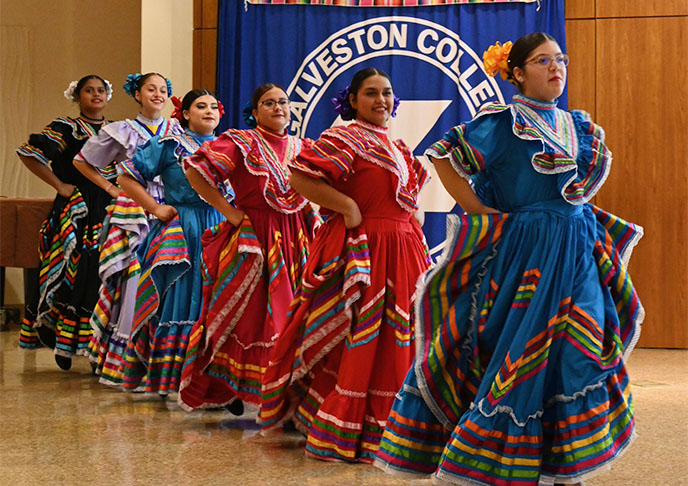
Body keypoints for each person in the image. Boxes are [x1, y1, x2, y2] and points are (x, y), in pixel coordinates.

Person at [374, 33, 644, 486]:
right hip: (526, 257)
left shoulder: (578, 126)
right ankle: (505, 462)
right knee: (521, 357)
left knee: (582, 351)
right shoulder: (501, 123)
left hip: (577, 248)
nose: (556, 67)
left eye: (561, 59)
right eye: (542, 61)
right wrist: (480, 211)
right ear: (517, 74)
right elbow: (443, 157)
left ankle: (567, 463)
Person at [258, 68, 431, 463]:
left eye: (387, 92)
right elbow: (301, 176)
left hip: (404, 251)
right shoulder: (344, 136)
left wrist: (411, 216)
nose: (381, 100)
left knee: (401, 335)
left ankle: (400, 426)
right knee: (364, 334)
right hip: (367, 250)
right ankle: (354, 427)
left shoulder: (398, 145)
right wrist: (348, 207)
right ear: (352, 100)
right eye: (371, 93)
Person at [179, 83, 321, 412]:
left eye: (283, 102)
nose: (278, 108)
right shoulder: (241, 142)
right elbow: (195, 171)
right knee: (249, 313)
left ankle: (286, 395)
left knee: (293, 315)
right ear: (255, 112)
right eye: (269, 103)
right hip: (254, 239)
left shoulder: (304, 147)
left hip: (297, 238)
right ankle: (231, 383)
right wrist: (228, 210)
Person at [115, 89, 229, 396]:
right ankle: (175, 376)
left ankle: (216, 381)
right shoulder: (170, 146)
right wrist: (154, 208)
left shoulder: (229, 146)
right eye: (200, 106)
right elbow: (126, 177)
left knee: (220, 298)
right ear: (185, 114)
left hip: (221, 229)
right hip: (184, 231)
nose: (208, 111)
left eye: (213, 106)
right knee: (184, 296)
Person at [73, 72, 181, 386]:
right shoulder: (121, 130)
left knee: (167, 277)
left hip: (170, 210)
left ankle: (159, 358)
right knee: (132, 277)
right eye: (151, 89)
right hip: (135, 210)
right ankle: (124, 358)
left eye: (163, 90)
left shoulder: (176, 130)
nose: (158, 95)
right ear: (138, 94)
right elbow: (83, 161)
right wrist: (109, 186)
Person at [17, 75, 113, 370]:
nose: (96, 95)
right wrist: (60, 185)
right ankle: (61, 340)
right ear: (77, 96)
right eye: (89, 90)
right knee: (72, 273)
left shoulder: (117, 130)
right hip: (77, 210)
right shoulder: (65, 128)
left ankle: (98, 348)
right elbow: (30, 154)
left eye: (100, 90)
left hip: (109, 210)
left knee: (105, 276)